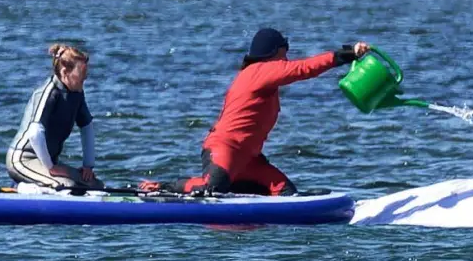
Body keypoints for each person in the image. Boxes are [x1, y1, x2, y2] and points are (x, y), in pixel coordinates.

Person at [142, 29, 368, 196]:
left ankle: (233, 186)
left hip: (249, 159)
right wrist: (346, 54)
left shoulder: (263, 77)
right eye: (285, 50)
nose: (287, 55)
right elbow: (303, 68)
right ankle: (164, 187)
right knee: (212, 190)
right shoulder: (260, 71)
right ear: (275, 51)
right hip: (224, 149)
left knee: (286, 192)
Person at [7, 44, 101, 191]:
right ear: (65, 72)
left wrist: (88, 166)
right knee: (64, 185)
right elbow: (34, 132)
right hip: (23, 160)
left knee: (95, 185)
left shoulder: (77, 93)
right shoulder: (49, 92)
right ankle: (21, 188)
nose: (85, 77)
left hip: (48, 163)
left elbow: (86, 127)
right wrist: (50, 167)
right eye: (81, 74)